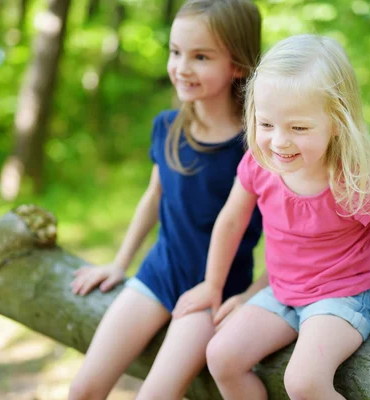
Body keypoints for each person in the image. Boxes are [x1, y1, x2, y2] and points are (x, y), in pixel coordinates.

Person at [172, 34, 370, 400]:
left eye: (299, 128)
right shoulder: (259, 166)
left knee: (304, 382)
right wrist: (213, 285)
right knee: (221, 356)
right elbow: (230, 221)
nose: (279, 142)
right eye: (267, 124)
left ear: (337, 122)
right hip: (281, 292)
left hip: (341, 297)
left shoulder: (355, 180)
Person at [68, 1, 263, 399]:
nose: (182, 67)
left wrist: (249, 297)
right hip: (157, 275)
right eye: (175, 52)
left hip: (214, 292)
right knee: (83, 390)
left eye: (201, 56)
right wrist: (120, 262)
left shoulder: (257, 148)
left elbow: (285, 237)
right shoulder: (169, 127)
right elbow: (154, 195)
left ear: (238, 66)